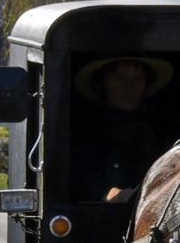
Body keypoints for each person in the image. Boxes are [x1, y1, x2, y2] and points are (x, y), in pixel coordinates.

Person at [72, 56, 173, 203]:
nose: (129, 86)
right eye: (120, 78)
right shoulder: (82, 131)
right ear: (102, 83)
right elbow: (74, 180)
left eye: (137, 79)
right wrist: (106, 194)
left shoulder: (161, 131)